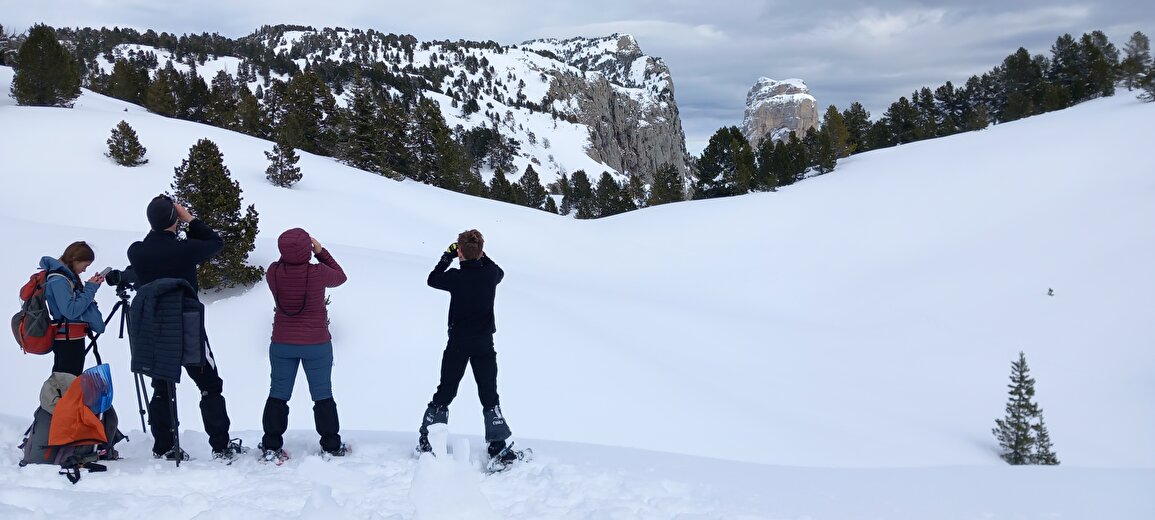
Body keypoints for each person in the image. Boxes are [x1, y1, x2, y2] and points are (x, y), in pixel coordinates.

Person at [126, 195, 244, 462]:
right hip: (186, 324)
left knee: (162, 385)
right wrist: (189, 219)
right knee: (209, 385)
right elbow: (215, 242)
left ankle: (164, 446)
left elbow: (147, 258)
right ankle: (220, 445)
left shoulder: (136, 251)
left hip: (155, 326)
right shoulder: (185, 250)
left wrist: (165, 220)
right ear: (174, 220)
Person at [417, 229, 519, 464]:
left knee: (446, 390)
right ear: (481, 251)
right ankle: (497, 445)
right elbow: (500, 271)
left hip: (458, 343)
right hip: (484, 343)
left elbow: (432, 278)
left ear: (459, 251)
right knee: (489, 393)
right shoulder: (490, 274)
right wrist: (480, 254)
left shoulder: (455, 277)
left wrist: (447, 256)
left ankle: (429, 439)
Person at [259, 228, 349, 462]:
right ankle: (331, 445)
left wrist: (291, 254)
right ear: (307, 249)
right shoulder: (318, 273)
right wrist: (320, 252)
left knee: (278, 394)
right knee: (322, 395)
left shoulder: (273, 272)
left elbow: (285, 265)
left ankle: (271, 447)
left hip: (282, 342)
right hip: (316, 343)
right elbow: (340, 276)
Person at [40, 241, 107, 377]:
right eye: (85, 265)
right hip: (67, 340)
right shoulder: (59, 280)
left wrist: (89, 287)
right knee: (65, 383)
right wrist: (90, 288)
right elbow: (70, 311)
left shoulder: (65, 278)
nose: (84, 270)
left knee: (69, 382)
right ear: (75, 260)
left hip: (71, 337)